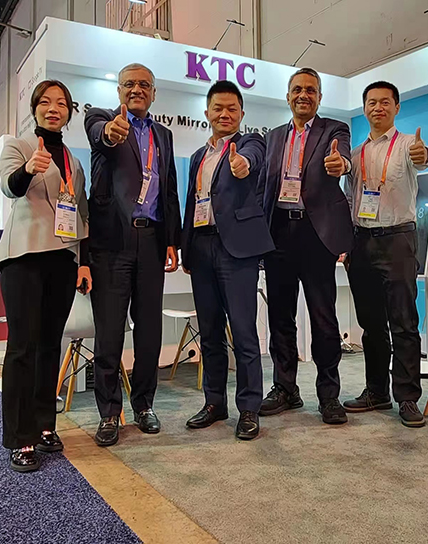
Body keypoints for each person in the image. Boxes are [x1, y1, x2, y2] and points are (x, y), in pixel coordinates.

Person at [0, 79, 91, 472]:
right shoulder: (18, 146)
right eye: (45, 102)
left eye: (61, 103)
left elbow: (79, 214)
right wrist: (28, 169)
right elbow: (9, 187)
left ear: (69, 112)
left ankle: (46, 425)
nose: (53, 109)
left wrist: (83, 261)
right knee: (22, 347)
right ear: (34, 109)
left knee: (50, 345)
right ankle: (20, 437)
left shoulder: (74, 162)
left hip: (63, 259)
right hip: (25, 256)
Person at [84, 63, 181, 447]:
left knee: (149, 331)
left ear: (154, 93)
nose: (137, 89)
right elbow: (99, 134)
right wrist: (110, 131)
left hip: (152, 241)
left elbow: (169, 188)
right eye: (129, 84)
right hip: (112, 243)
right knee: (109, 333)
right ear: (119, 90)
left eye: (144, 85)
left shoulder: (164, 135)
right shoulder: (102, 118)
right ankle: (110, 412)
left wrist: (172, 239)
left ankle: (144, 405)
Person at [259, 68, 354, 425]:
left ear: (319, 97)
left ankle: (329, 395)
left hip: (317, 236)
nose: (303, 95)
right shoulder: (272, 137)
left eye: (311, 90)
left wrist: (340, 164)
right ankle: (285, 388)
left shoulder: (334, 130)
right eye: (297, 89)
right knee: (280, 317)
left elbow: (343, 158)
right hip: (279, 234)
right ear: (287, 96)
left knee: (323, 318)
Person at [181, 80, 273, 440]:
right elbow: (192, 202)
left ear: (241, 113)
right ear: (207, 113)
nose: (224, 114)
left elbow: (252, 160)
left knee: (244, 332)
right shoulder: (197, 157)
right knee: (210, 332)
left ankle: (249, 408)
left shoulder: (251, 143)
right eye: (218, 108)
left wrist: (241, 164)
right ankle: (214, 402)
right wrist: (186, 248)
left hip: (236, 251)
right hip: (201, 247)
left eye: (231, 109)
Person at [343, 81, 428, 428]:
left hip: (397, 240)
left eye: (385, 102)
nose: (377, 108)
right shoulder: (355, 155)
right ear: (364, 108)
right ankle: (377, 391)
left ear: (396, 107)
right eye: (371, 102)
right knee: (371, 324)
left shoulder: (409, 144)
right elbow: (349, 198)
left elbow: (423, 157)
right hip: (361, 241)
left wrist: (423, 154)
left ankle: (407, 397)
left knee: (404, 321)